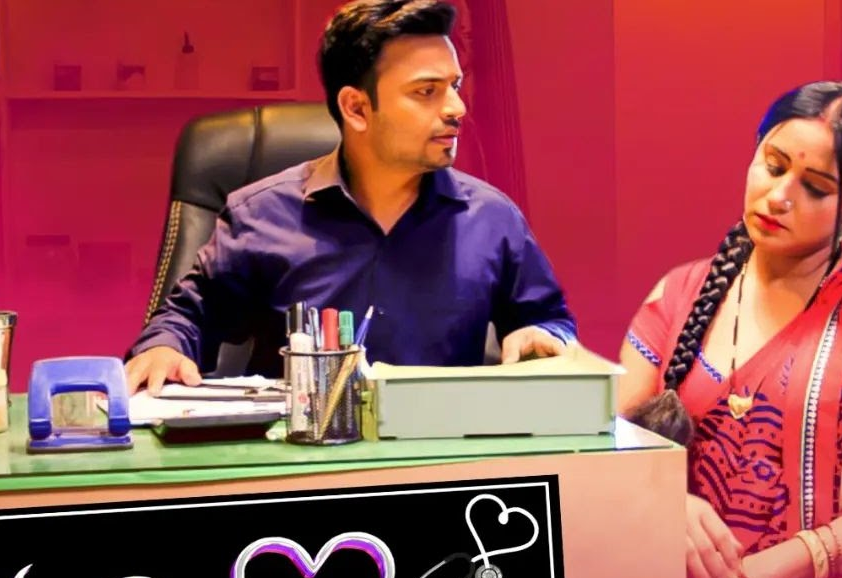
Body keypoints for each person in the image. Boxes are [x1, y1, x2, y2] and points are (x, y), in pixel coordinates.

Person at [124, 0, 576, 395]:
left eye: (454, 86)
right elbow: (186, 319)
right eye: (427, 91)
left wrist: (543, 334)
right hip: (303, 453)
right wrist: (164, 348)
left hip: (443, 452)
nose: (457, 108)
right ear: (356, 108)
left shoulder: (492, 219)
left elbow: (547, 319)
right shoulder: (260, 215)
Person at [617, 81, 842, 578]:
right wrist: (668, 500)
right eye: (773, 165)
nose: (780, 196)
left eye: (815, 187)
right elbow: (607, 442)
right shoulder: (679, 294)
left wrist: (769, 571)